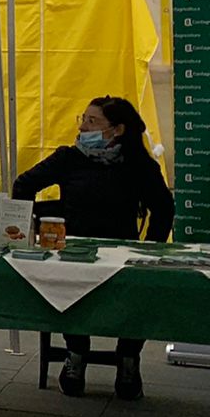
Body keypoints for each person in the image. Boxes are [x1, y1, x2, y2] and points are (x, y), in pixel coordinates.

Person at [14, 95, 173, 400]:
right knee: (63, 285)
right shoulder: (69, 158)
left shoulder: (138, 165)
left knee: (138, 291)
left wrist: (151, 249)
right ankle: (75, 355)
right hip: (74, 252)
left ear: (117, 130)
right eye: (83, 119)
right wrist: (35, 230)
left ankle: (128, 359)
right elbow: (23, 185)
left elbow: (164, 208)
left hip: (121, 253)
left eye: (92, 121)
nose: (83, 126)